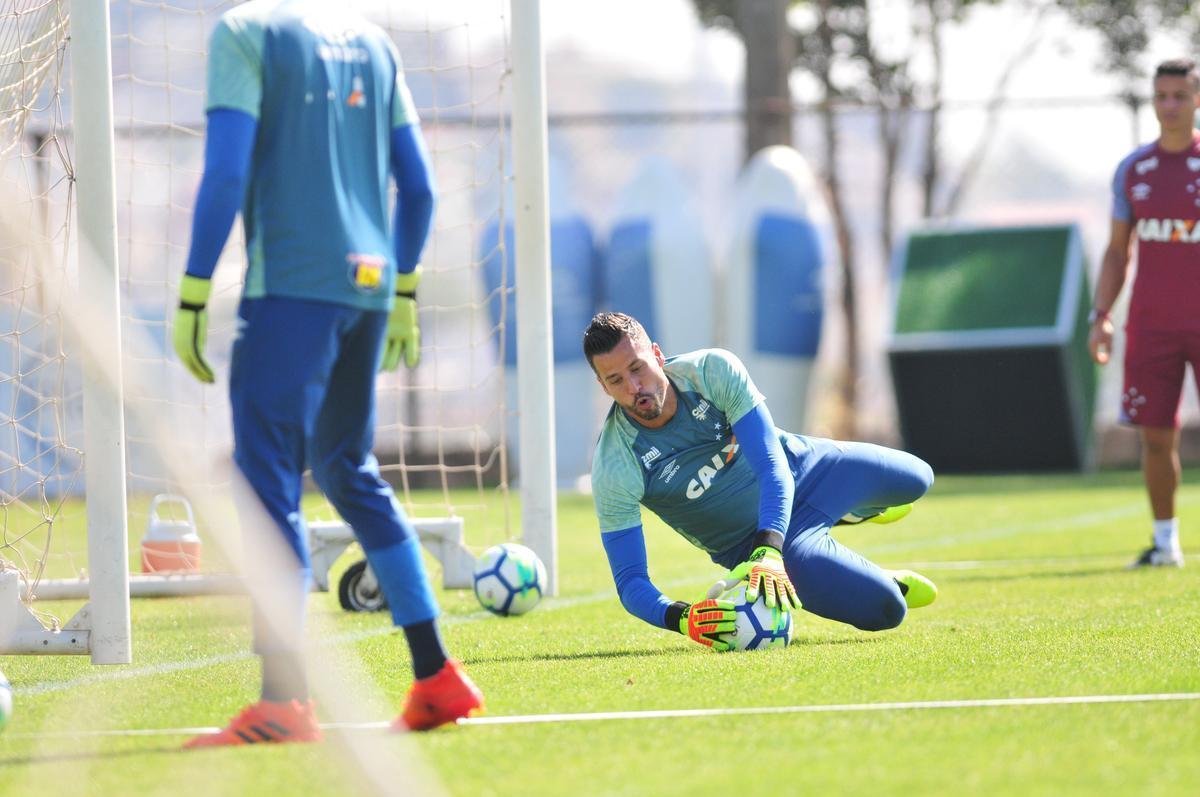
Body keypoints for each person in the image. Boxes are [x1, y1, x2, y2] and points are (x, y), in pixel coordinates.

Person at [172, 1, 482, 747]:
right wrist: (402, 288)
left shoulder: (244, 33)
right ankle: (435, 673)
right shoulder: (375, 42)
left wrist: (190, 288)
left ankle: (284, 699)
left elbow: (225, 172)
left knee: (267, 478)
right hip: (369, 286)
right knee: (348, 468)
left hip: (292, 289)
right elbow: (422, 186)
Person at [584, 312, 937, 651]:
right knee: (888, 609)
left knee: (918, 478)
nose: (634, 387)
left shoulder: (711, 371)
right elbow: (631, 582)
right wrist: (684, 618)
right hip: (748, 543)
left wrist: (771, 550)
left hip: (803, 471)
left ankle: (849, 511)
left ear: (657, 355)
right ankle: (861, 559)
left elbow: (772, 466)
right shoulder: (616, 465)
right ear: (603, 386)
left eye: (637, 368)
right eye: (615, 380)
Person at [1089, 58, 1200, 569]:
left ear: (1196, 99)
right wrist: (1101, 314)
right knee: (1156, 437)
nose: (1170, 106)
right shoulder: (1134, 170)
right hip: (1152, 327)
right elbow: (1117, 251)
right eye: (1162, 96)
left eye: (1180, 95)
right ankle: (1165, 543)